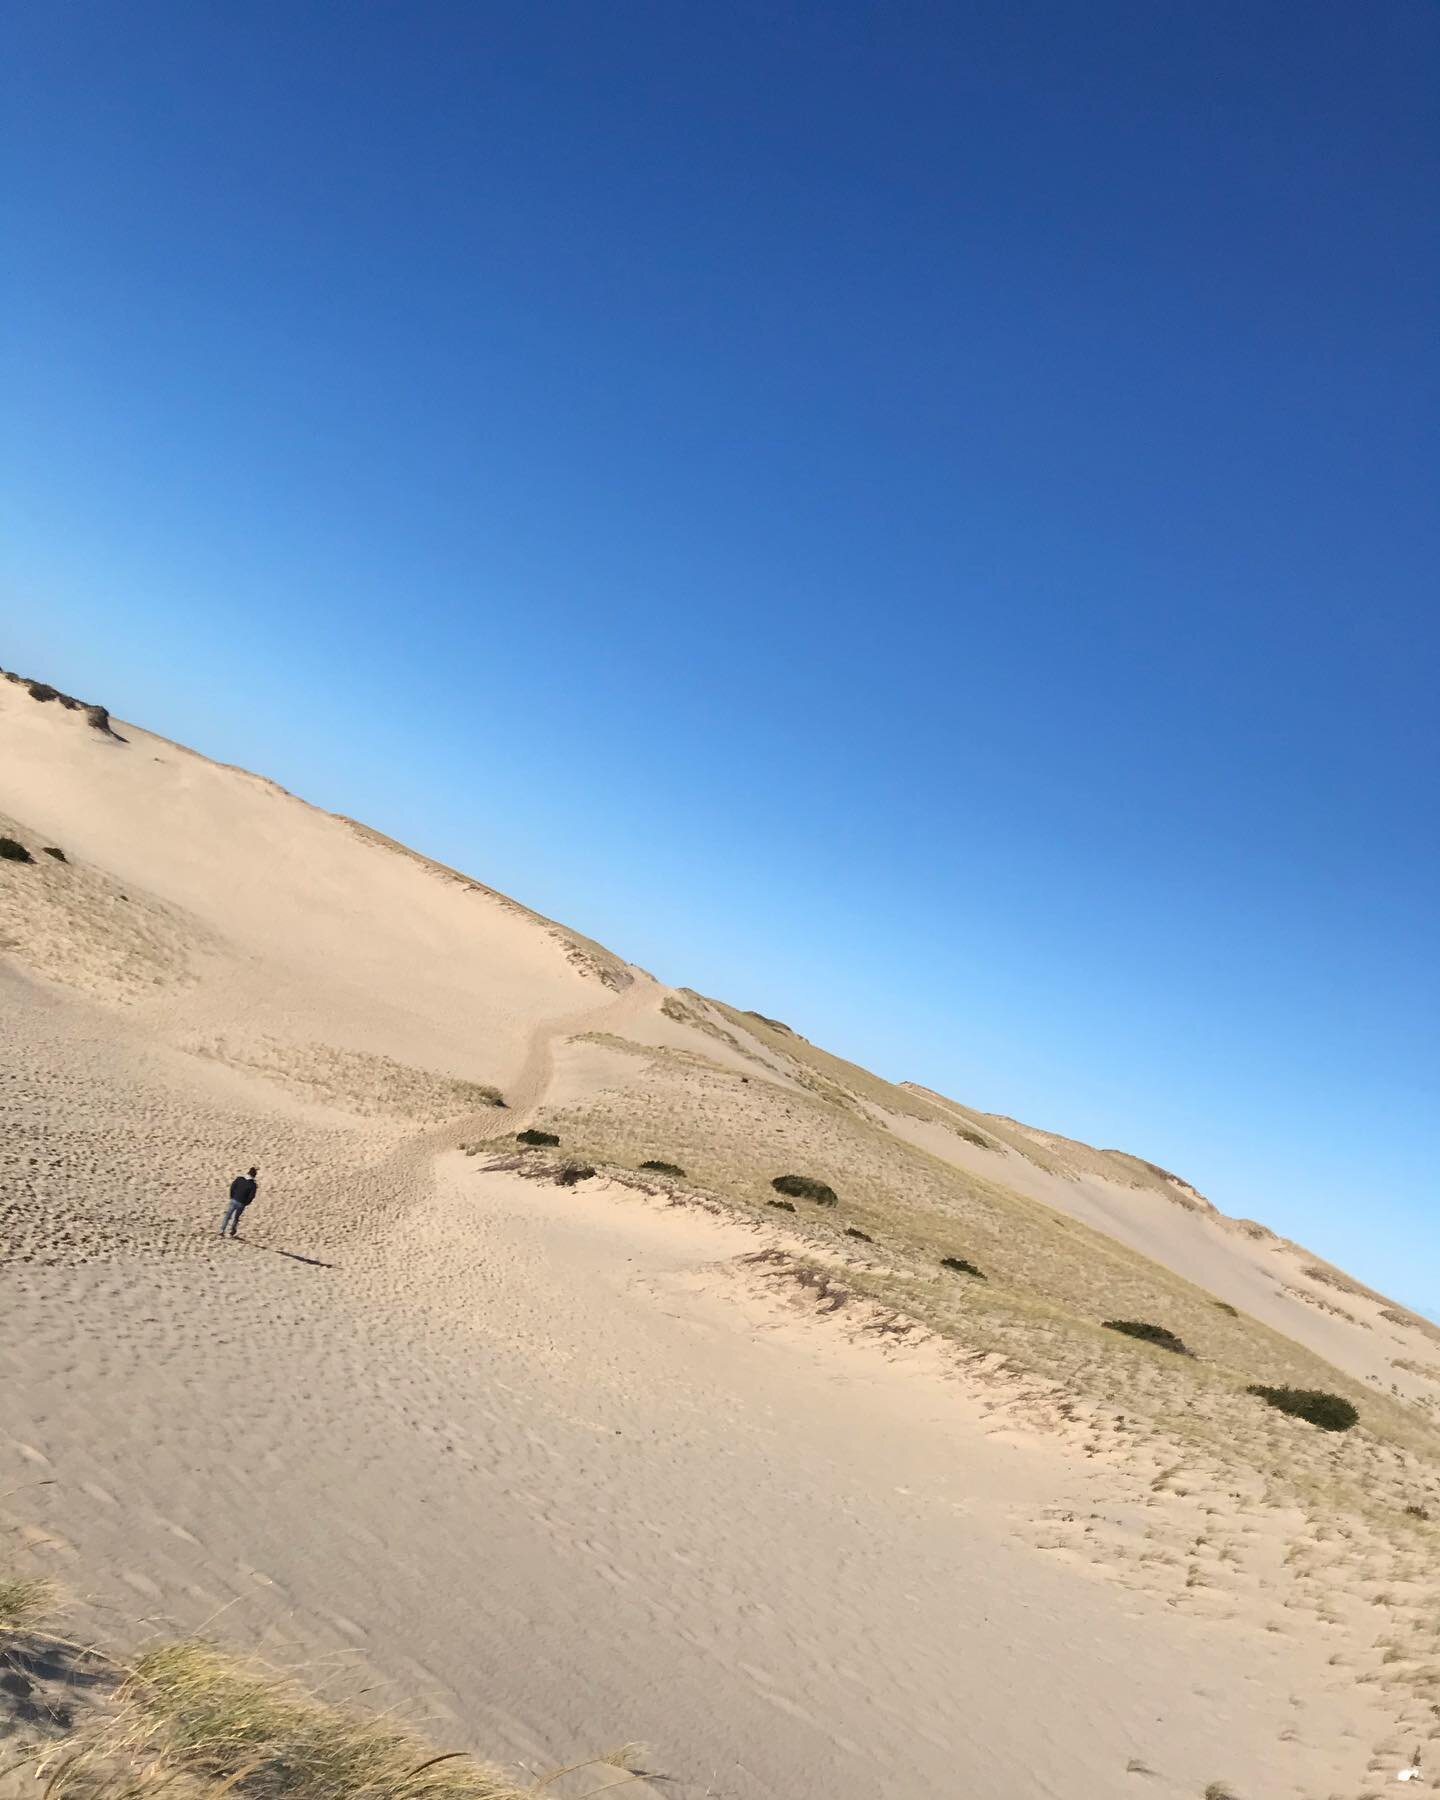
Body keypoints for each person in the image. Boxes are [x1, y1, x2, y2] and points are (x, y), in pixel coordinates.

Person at [220, 1166, 258, 1238]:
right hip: (242, 1203)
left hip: (234, 1199)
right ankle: (231, 1232)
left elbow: (232, 1187)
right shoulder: (253, 1185)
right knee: (236, 1218)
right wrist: (246, 1203)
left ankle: (222, 1230)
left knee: (228, 1215)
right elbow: (251, 1196)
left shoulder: (239, 1179)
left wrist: (232, 1196)